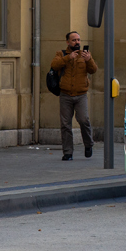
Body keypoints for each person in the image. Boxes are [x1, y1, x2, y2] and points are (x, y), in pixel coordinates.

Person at [51, 31, 97, 160]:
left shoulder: (85, 55)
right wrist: (68, 58)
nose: (77, 42)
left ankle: (88, 144)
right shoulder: (61, 54)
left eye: (78, 40)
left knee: (84, 120)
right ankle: (68, 152)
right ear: (68, 42)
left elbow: (93, 70)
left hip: (81, 94)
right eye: (74, 40)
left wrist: (89, 60)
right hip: (65, 95)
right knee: (65, 124)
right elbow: (54, 65)